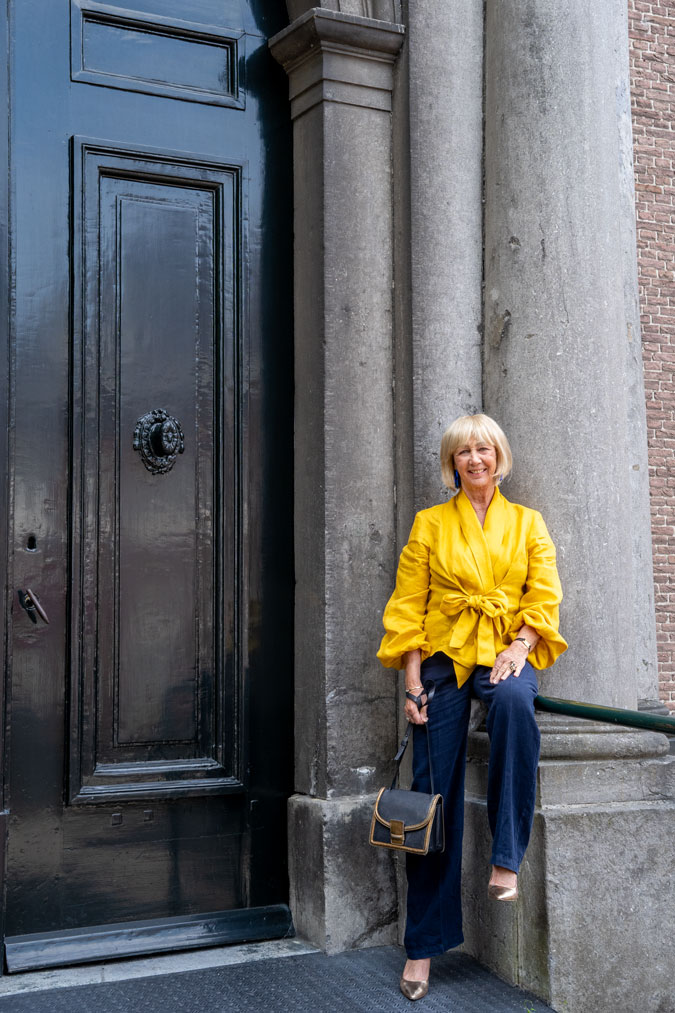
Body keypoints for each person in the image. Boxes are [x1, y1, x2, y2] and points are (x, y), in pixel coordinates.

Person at [377, 414, 567, 1002]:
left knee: (514, 703)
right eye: (464, 452)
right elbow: (409, 604)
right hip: (445, 658)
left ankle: (505, 859)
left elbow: (545, 595)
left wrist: (520, 646)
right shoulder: (430, 524)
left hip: (507, 654)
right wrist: (412, 683)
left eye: (483, 449)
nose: (475, 460)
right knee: (433, 790)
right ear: (452, 463)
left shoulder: (529, 524)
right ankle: (422, 947)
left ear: (498, 457)